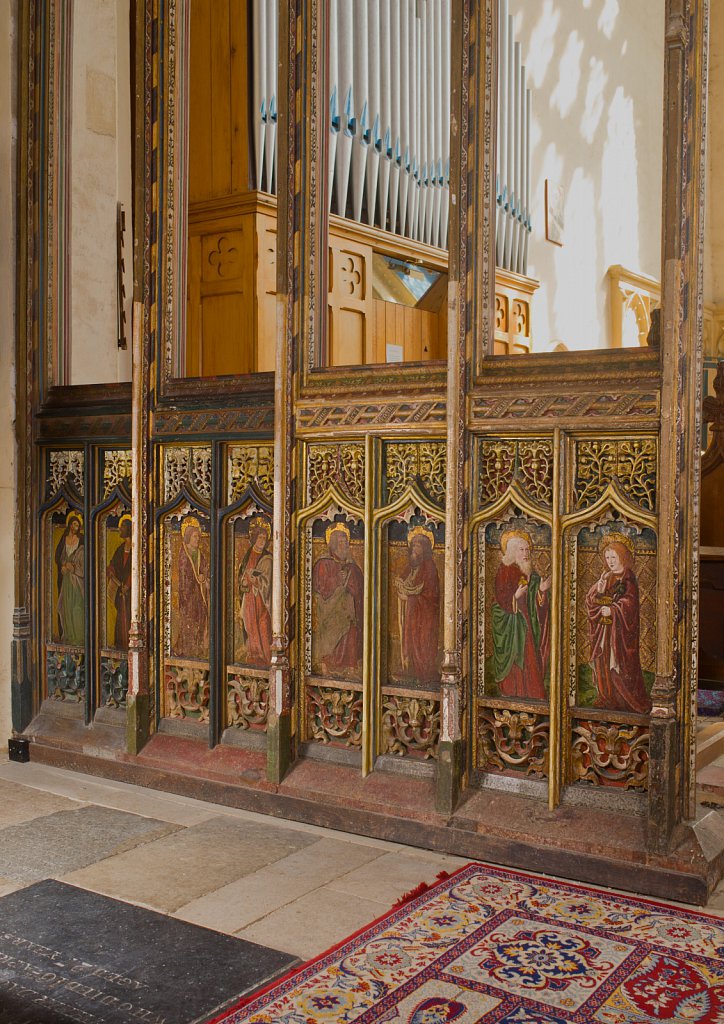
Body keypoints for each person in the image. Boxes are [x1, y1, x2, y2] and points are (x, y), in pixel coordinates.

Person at [586, 534, 651, 714]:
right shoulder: (606, 577)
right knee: (603, 662)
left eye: (613, 557)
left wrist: (614, 610)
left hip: (621, 636)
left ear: (622, 556)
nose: (610, 561)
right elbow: (590, 601)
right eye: (607, 558)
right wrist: (598, 592)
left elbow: (630, 605)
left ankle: (625, 701)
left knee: (620, 666)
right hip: (604, 631)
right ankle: (607, 697)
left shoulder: (629, 578)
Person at [491, 529, 550, 701]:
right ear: (512, 552)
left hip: (527, 621)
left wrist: (541, 590)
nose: (525, 554)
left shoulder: (530, 571)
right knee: (519, 657)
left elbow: (535, 597)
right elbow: (500, 600)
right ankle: (512, 692)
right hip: (513, 624)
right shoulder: (505, 572)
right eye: (521, 550)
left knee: (530, 657)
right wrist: (514, 598)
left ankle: (533, 694)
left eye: (527, 550)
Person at [312, 522, 364, 676]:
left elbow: (361, 588)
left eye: (345, 542)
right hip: (330, 610)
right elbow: (319, 586)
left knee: (350, 633)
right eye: (340, 542)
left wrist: (351, 583)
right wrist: (337, 580)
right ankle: (329, 665)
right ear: (333, 544)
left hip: (348, 610)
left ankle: (349, 666)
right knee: (332, 637)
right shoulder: (323, 563)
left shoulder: (352, 566)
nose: (344, 546)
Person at [394, 526, 440, 684]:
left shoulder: (429, 567)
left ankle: (425, 672)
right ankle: (411, 668)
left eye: (418, 545)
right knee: (412, 638)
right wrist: (401, 587)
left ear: (426, 548)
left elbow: (430, 594)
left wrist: (409, 597)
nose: (415, 548)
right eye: (413, 545)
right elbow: (402, 579)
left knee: (423, 640)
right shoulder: (413, 564)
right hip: (413, 612)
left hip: (425, 614)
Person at [238, 516, 273, 666]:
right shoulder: (247, 556)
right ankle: (254, 655)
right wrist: (245, 581)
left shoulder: (268, 558)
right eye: (259, 537)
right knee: (250, 625)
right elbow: (241, 576)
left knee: (263, 624)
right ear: (254, 538)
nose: (262, 540)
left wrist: (257, 581)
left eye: (264, 538)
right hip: (249, 598)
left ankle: (267, 657)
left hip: (262, 599)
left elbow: (269, 582)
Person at [175, 516, 210, 659]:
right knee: (189, 624)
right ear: (188, 537)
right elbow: (184, 579)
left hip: (199, 596)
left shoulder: (200, 555)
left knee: (200, 622)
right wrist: (197, 580)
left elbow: (206, 570)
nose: (197, 540)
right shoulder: (184, 555)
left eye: (198, 537)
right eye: (195, 537)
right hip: (189, 598)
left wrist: (204, 578)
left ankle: (198, 649)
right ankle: (187, 651)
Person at [55, 512, 85, 645]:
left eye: (78, 525)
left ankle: (78, 636)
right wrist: (63, 565)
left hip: (77, 579)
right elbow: (58, 556)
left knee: (77, 605)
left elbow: (84, 559)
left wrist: (73, 567)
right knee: (65, 605)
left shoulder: (82, 539)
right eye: (74, 524)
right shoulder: (64, 538)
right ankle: (68, 634)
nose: (75, 527)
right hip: (65, 578)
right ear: (70, 524)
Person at [107, 514, 132, 649]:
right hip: (120, 589)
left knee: (129, 615)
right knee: (120, 617)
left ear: (128, 528)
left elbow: (136, 568)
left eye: (122, 526)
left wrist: (128, 585)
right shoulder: (121, 548)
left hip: (132, 591)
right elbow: (114, 564)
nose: (119, 529)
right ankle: (120, 644)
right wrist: (110, 570)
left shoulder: (135, 547)